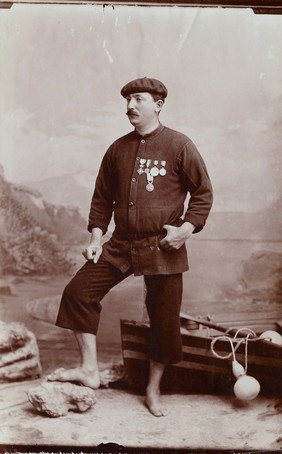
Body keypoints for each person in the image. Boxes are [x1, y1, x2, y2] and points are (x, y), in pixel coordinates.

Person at [47, 77, 213, 417]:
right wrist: (96, 237)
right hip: (120, 244)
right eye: (127, 101)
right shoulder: (117, 149)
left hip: (163, 246)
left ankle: (153, 388)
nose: (130, 107)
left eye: (138, 99)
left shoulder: (180, 145)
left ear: (159, 104)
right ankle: (89, 370)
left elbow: (203, 194)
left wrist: (185, 229)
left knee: (163, 322)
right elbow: (101, 200)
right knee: (78, 293)